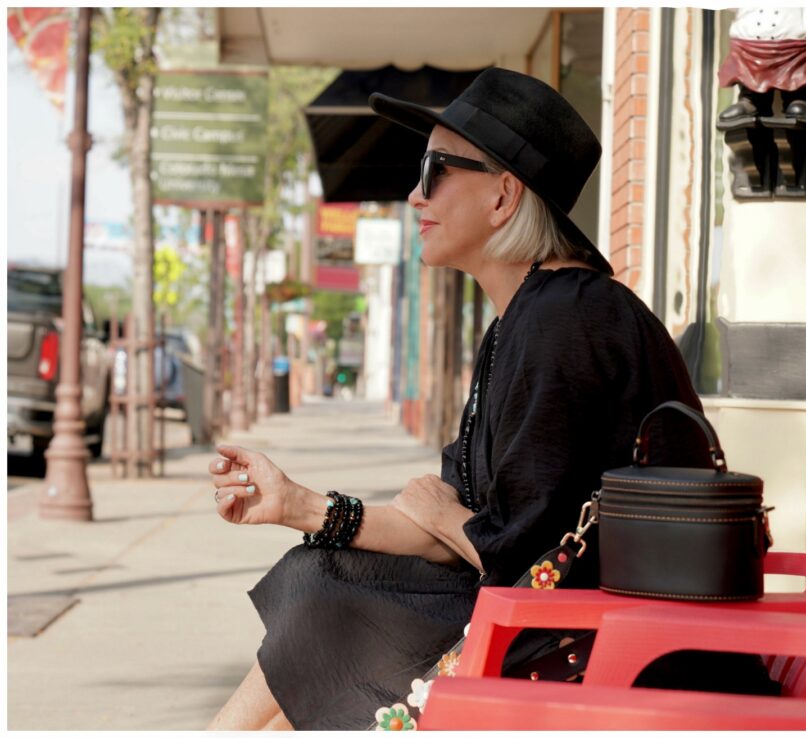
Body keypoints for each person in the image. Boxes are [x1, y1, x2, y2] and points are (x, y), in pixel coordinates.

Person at [206, 67, 706, 731]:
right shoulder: (520, 322)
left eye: (436, 169)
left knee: (333, 603)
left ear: (504, 196)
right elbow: (454, 524)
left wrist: (450, 520)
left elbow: (525, 559)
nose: (415, 195)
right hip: (571, 624)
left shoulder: (569, 324)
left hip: (621, 647)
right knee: (323, 572)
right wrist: (297, 504)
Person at [718, 7, 806, 126]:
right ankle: (751, 99)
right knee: (749, 74)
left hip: (797, 45)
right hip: (750, 43)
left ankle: (799, 97)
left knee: (800, 76)